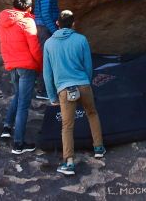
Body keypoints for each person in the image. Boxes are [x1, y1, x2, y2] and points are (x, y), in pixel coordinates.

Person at [43, 10, 106, 176]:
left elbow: (47, 73)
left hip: (64, 89)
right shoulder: (81, 39)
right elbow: (88, 66)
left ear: (57, 23)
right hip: (83, 84)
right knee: (92, 113)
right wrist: (87, 81)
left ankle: (69, 162)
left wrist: (52, 96)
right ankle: (98, 148)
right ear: (73, 24)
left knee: (67, 126)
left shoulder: (49, 44)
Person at [0, 0, 42, 154]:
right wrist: (40, 65)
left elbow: (3, 44)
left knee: (18, 95)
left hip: (12, 65)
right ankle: (18, 144)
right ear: (29, 8)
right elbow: (35, 48)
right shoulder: (27, 22)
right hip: (26, 66)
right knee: (24, 104)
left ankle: (7, 127)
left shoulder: (4, 21)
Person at [33, 0, 60, 99]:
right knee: (46, 59)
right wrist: (55, 31)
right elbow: (45, 14)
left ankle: (47, 88)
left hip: (45, 27)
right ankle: (42, 91)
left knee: (49, 58)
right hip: (44, 29)